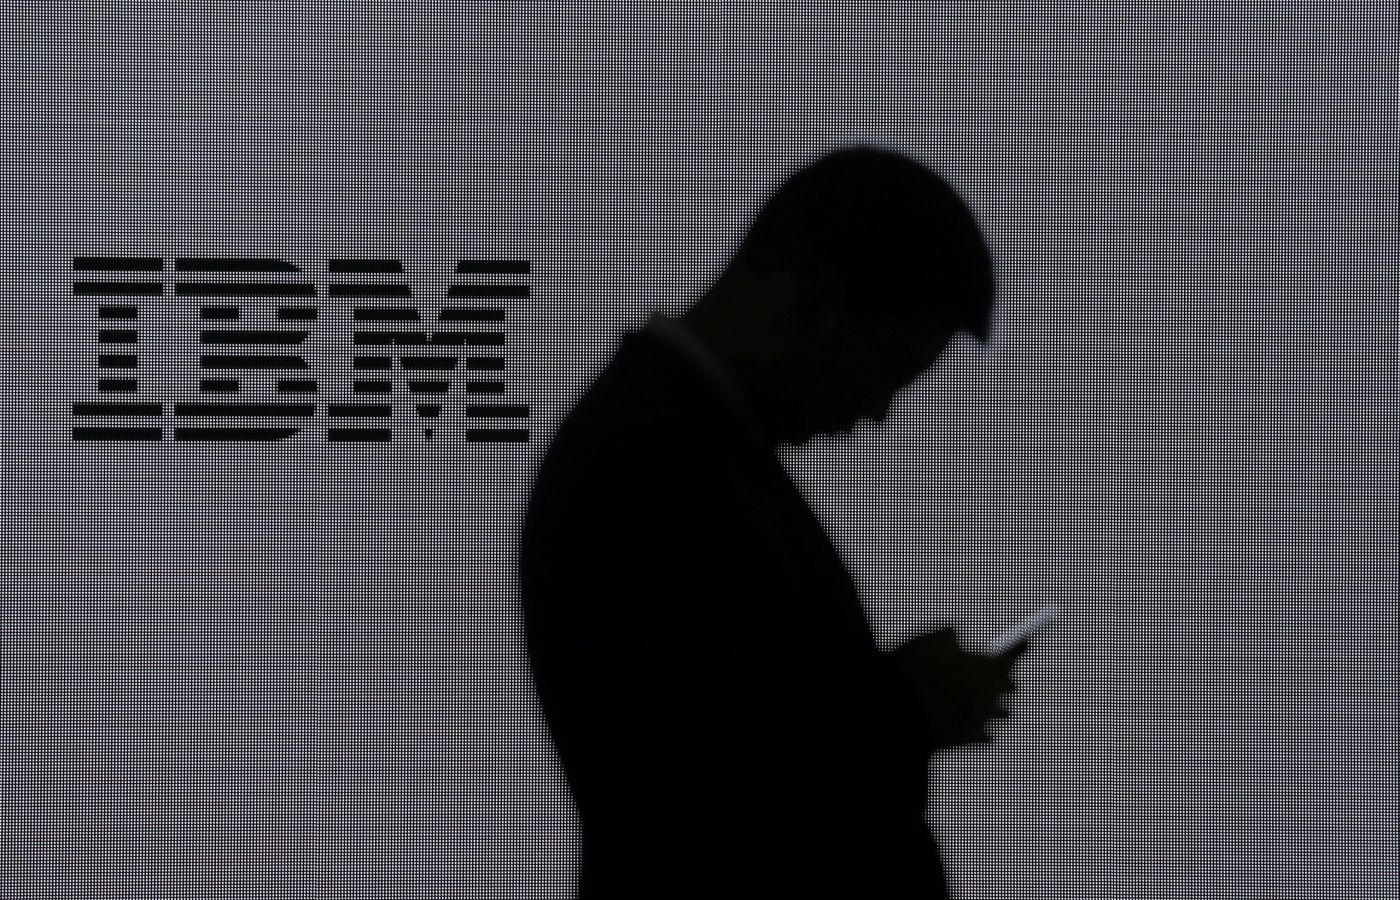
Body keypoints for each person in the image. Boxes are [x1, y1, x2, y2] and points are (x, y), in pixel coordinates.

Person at [517, 144, 1024, 898]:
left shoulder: (668, 450)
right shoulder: (654, 464)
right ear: (814, 298)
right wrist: (905, 709)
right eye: (884, 368)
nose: (877, 411)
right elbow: (707, 800)